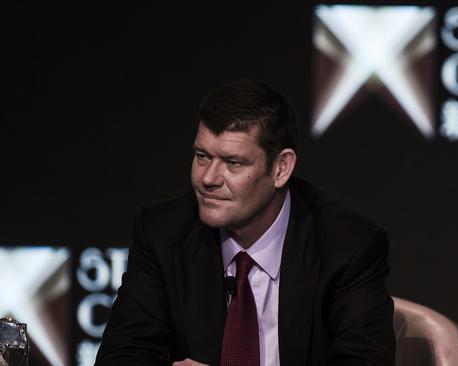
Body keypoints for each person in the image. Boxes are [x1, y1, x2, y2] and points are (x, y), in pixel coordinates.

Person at [95, 80, 395, 366]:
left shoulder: (347, 246)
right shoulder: (163, 233)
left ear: (281, 168)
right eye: (202, 156)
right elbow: (123, 354)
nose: (209, 179)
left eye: (233, 162)